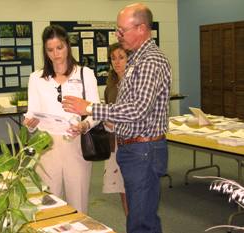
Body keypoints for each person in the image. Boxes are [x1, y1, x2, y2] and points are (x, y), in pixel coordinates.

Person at [62, 3, 172, 233]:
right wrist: (112, 120)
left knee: (141, 221)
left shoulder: (150, 60)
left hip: (143, 151)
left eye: (122, 30)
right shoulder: (136, 60)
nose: (117, 35)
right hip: (135, 150)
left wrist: (91, 107)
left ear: (141, 28)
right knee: (140, 216)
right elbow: (130, 109)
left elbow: (138, 109)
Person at [23, 24, 100, 214]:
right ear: (45, 51)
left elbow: (96, 112)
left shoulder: (85, 74)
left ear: (67, 46)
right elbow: (31, 114)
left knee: (78, 202)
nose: (56, 54)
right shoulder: (36, 78)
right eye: (50, 50)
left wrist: (84, 125)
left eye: (60, 48)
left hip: (75, 143)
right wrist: (30, 125)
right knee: (49, 204)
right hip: (47, 145)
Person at [102, 42, 128, 216]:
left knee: (132, 186)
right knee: (121, 187)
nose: (117, 62)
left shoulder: (135, 83)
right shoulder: (110, 85)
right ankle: (129, 220)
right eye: (113, 58)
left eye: (121, 57)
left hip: (130, 142)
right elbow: (106, 109)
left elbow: (136, 114)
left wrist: (116, 123)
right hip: (114, 142)